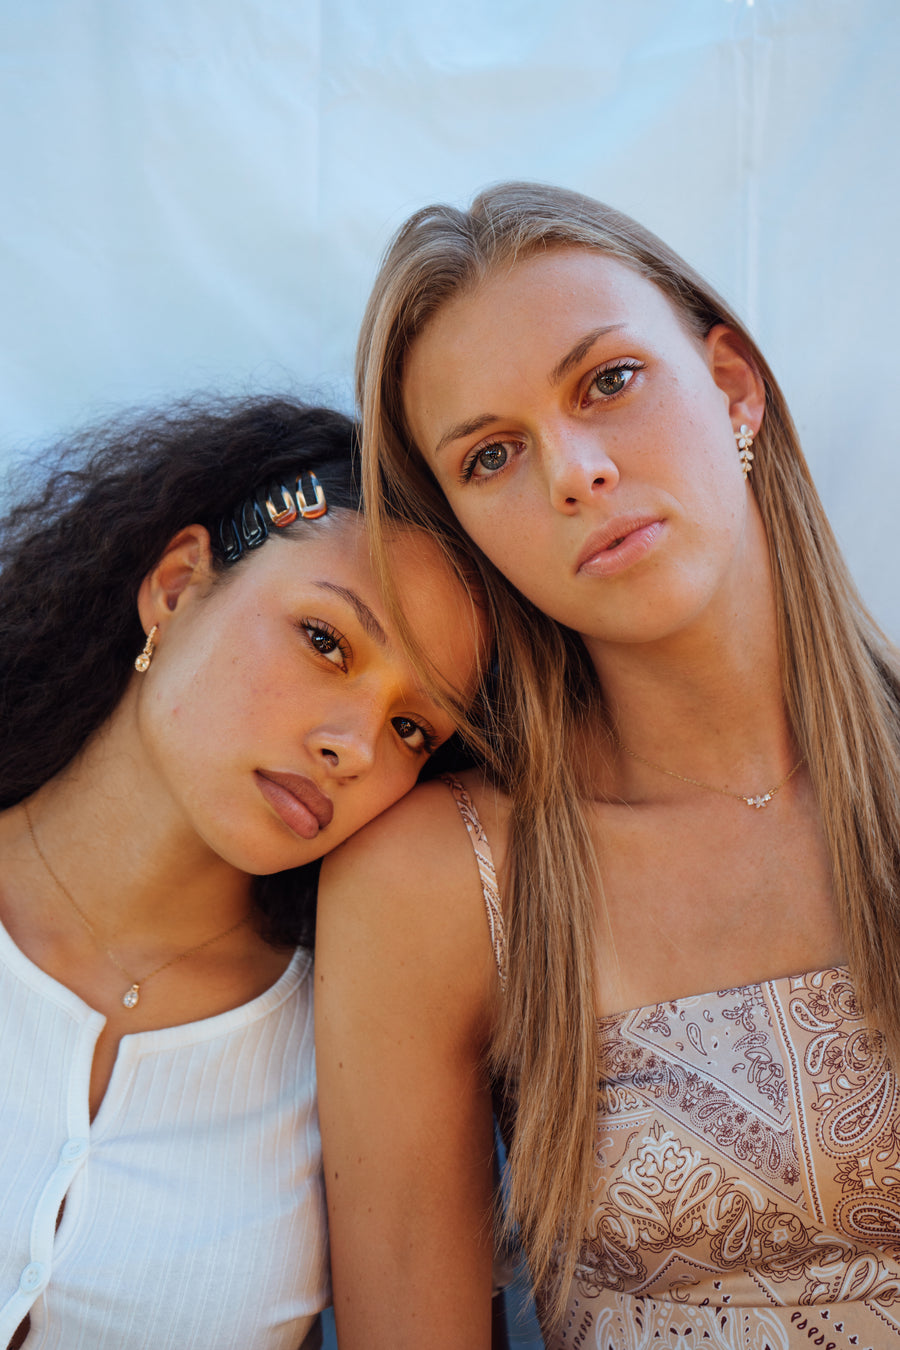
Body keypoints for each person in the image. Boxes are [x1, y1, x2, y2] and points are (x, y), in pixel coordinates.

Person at [315, 183, 900, 1349]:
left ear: (733, 384)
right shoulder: (446, 878)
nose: (574, 470)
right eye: (491, 457)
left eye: (609, 382)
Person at [0, 395, 486, 1350]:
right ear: (177, 585)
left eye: (410, 729)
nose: (354, 746)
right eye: (325, 641)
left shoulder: (347, 1061)